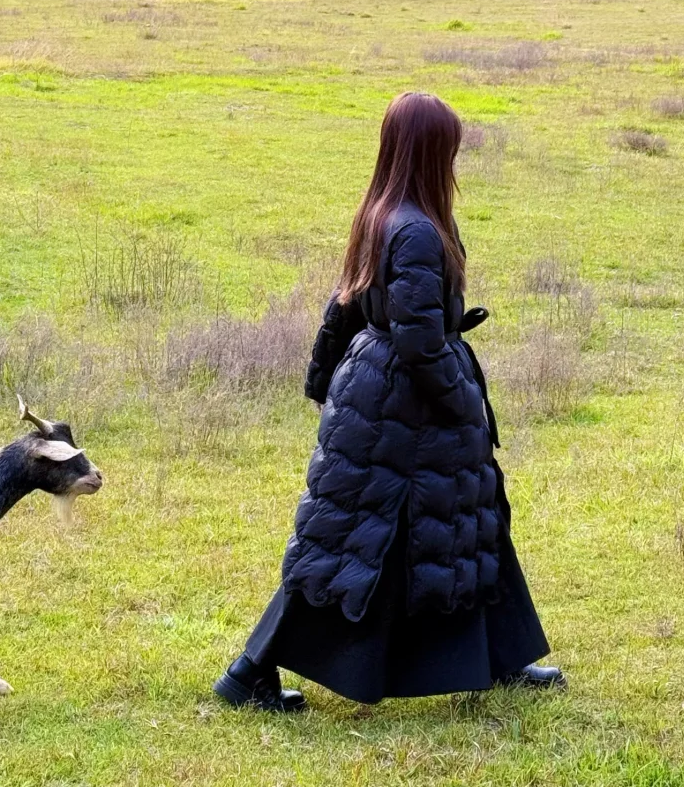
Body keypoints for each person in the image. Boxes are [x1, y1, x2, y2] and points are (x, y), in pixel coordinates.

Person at [214, 91, 563, 713]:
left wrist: (324, 380)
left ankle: (501, 657)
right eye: (450, 147)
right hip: (406, 406)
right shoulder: (418, 230)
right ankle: (249, 672)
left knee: (468, 522)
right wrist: (463, 406)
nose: (456, 158)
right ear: (431, 152)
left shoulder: (383, 213)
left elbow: (343, 303)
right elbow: (420, 341)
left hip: (376, 393)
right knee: (362, 542)